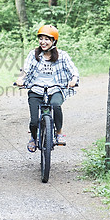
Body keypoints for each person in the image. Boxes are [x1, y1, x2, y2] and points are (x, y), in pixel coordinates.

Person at [14, 25, 79, 153]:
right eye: (41, 39)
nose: (43, 42)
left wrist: (74, 79)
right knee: (33, 121)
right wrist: (20, 79)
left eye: (47, 39)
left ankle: (59, 132)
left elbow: (73, 70)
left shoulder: (62, 55)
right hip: (36, 89)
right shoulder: (34, 54)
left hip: (55, 89)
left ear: (54, 41)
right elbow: (25, 69)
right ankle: (33, 137)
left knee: (56, 105)